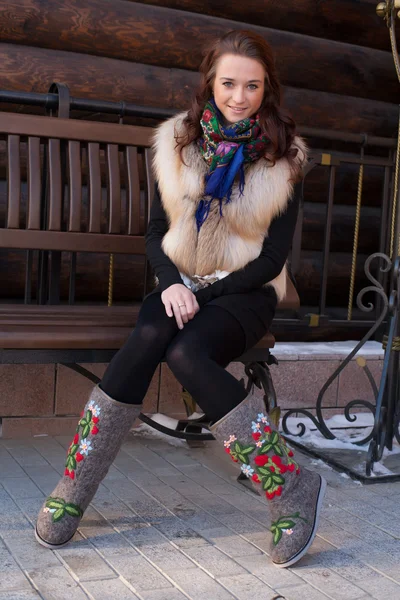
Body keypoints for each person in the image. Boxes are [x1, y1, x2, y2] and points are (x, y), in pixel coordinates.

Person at [35, 29, 326, 568]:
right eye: (229, 83)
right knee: (150, 334)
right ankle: (76, 483)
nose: (239, 97)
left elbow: (269, 261)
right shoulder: (177, 143)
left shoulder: (285, 158)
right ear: (210, 82)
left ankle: (290, 488)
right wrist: (171, 282)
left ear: (268, 90)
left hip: (243, 291)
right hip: (179, 284)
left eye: (253, 86)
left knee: (186, 354)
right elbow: (153, 232)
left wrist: (209, 290)